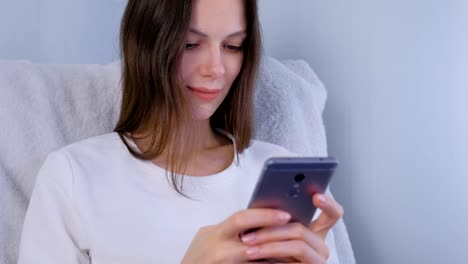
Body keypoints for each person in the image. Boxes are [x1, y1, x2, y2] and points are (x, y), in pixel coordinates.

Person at [18, 0, 344, 263]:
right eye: (191, 44)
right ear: (146, 43)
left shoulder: (283, 171)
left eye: (232, 46)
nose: (215, 68)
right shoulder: (74, 176)